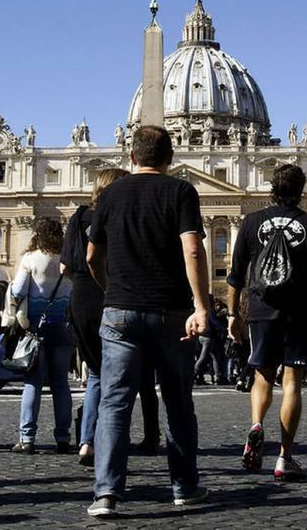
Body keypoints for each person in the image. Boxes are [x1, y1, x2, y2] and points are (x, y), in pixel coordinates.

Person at [85, 125, 212, 518]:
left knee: (114, 403)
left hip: (120, 310)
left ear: (132, 156)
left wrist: (112, 291)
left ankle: (106, 493)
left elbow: (91, 256)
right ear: (170, 158)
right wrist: (201, 304)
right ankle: (185, 487)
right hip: (172, 312)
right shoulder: (181, 191)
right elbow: (193, 249)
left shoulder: (110, 195)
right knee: (177, 401)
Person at [227, 163, 307, 480]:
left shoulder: (250, 222)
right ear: (302, 191)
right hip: (298, 310)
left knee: (262, 375)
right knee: (291, 382)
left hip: (260, 309)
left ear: (270, 188)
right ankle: (284, 457)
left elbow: (235, 275)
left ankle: (256, 424)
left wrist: (234, 314)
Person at [63, 168, 131, 466]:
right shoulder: (120, 219)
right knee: (115, 377)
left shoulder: (77, 217)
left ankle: (87, 441)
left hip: (80, 298)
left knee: (94, 373)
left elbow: (65, 267)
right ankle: (109, 442)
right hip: (111, 294)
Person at [10, 217, 75, 454]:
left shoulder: (30, 258)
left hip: (35, 328)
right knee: (61, 383)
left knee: (32, 383)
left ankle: (27, 438)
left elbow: (17, 290)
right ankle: (63, 437)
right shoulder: (67, 260)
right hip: (63, 326)